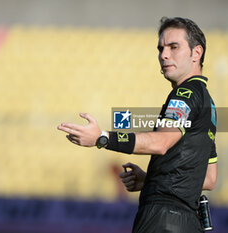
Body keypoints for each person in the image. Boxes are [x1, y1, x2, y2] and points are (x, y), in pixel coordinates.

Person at [58, 17, 218, 233]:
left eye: (174, 47)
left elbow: (161, 142)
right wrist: (151, 179)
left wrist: (102, 138)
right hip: (188, 222)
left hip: (161, 219)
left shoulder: (185, 93)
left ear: (196, 53)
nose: (164, 55)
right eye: (161, 48)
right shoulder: (208, 103)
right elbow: (208, 178)